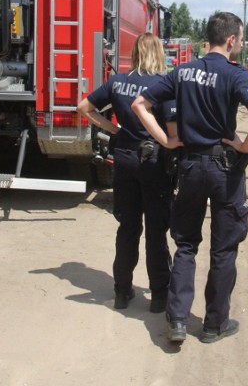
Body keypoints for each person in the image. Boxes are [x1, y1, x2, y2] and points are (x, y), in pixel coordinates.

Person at [132, 11, 248, 344]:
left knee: (186, 245)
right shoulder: (236, 75)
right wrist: (243, 147)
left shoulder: (182, 71)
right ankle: (213, 325)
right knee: (223, 249)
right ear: (233, 40)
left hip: (190, 167)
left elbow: (140, 104)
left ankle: (177, 320)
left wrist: (166, 141)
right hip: (225, 170)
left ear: (208, 37)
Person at [77, 33, 176, 313]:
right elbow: (172, 126)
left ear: (135, 53)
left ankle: (122, 291)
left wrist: (114, 130)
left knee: (128, 227)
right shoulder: (163, 84)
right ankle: (159, 296)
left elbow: (84, 108)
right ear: (158, 53)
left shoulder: (116, 81)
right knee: (156, 229)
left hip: (124, 158)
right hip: (154, 159)